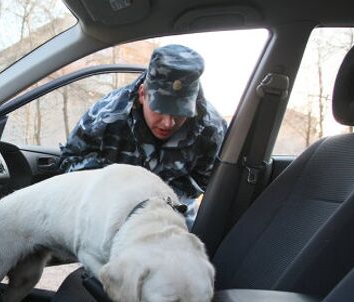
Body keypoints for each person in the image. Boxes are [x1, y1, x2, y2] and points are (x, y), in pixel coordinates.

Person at [58, 44, 227, 227]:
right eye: (160, 109)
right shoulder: (105, 117)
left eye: (180, 113)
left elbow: (204, 180)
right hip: (108, 210)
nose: (167, 123)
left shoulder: (211, 129)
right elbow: (69, 163)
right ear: (142, 95)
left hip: (173, 211)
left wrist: (163, 202)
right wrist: (112, 188)